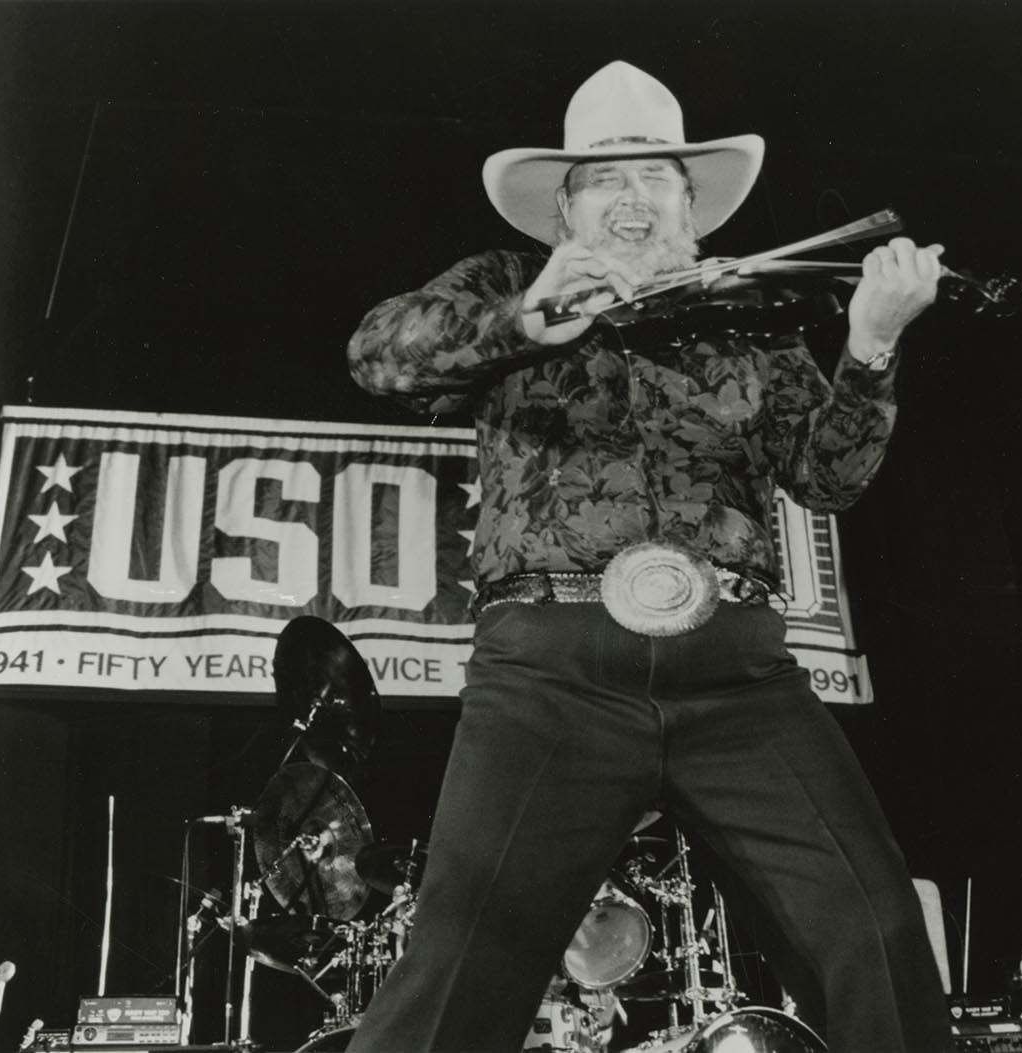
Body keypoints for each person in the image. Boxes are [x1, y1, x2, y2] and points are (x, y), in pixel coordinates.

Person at [344, 60, 951, 1052]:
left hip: (736, 674)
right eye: (607, 181)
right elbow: (380, 354)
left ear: (688, 202)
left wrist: (872, 349)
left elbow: (828, 477)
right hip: (552, 671)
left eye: (656, 178)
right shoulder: (508, 282)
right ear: (565, 210)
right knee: (460, 961)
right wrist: (525, 318)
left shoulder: (748, 309)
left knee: (874, 929)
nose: (634, 198)